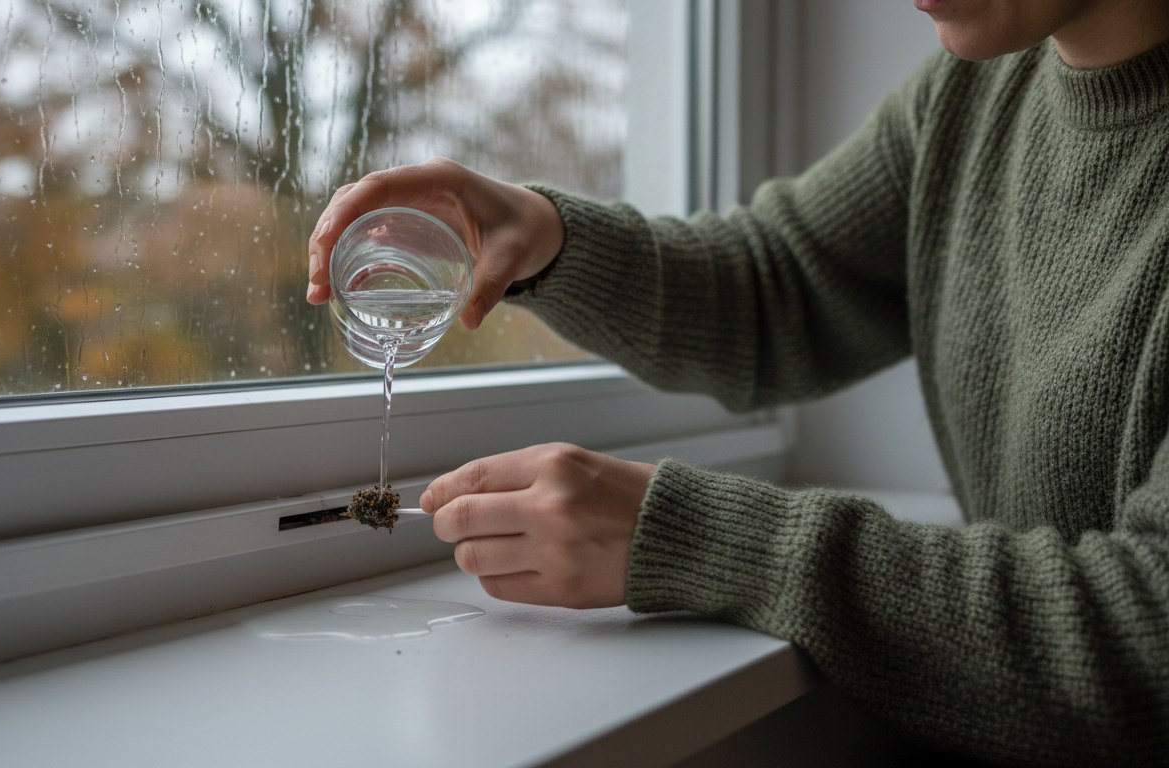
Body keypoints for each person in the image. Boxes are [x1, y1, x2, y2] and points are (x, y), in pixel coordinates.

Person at [307, 1, 1169, 764]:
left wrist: (697, 538)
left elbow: (1148, 642)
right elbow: (781, 288)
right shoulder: (972, 96)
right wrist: (548, 236)